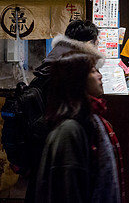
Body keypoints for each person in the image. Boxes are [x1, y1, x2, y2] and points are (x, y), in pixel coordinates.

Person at [25, 20, 103, 202]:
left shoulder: (55, 59)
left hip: (42, 142)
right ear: (89, 43)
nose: (98, 75)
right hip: (50, 141)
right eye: (93, 70)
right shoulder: (68, 67)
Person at [34, 52, 124, 203]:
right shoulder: (69, 130)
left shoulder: (93, 119)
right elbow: (68, 190)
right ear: (76, 79)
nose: (100, 76)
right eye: (93, 71)